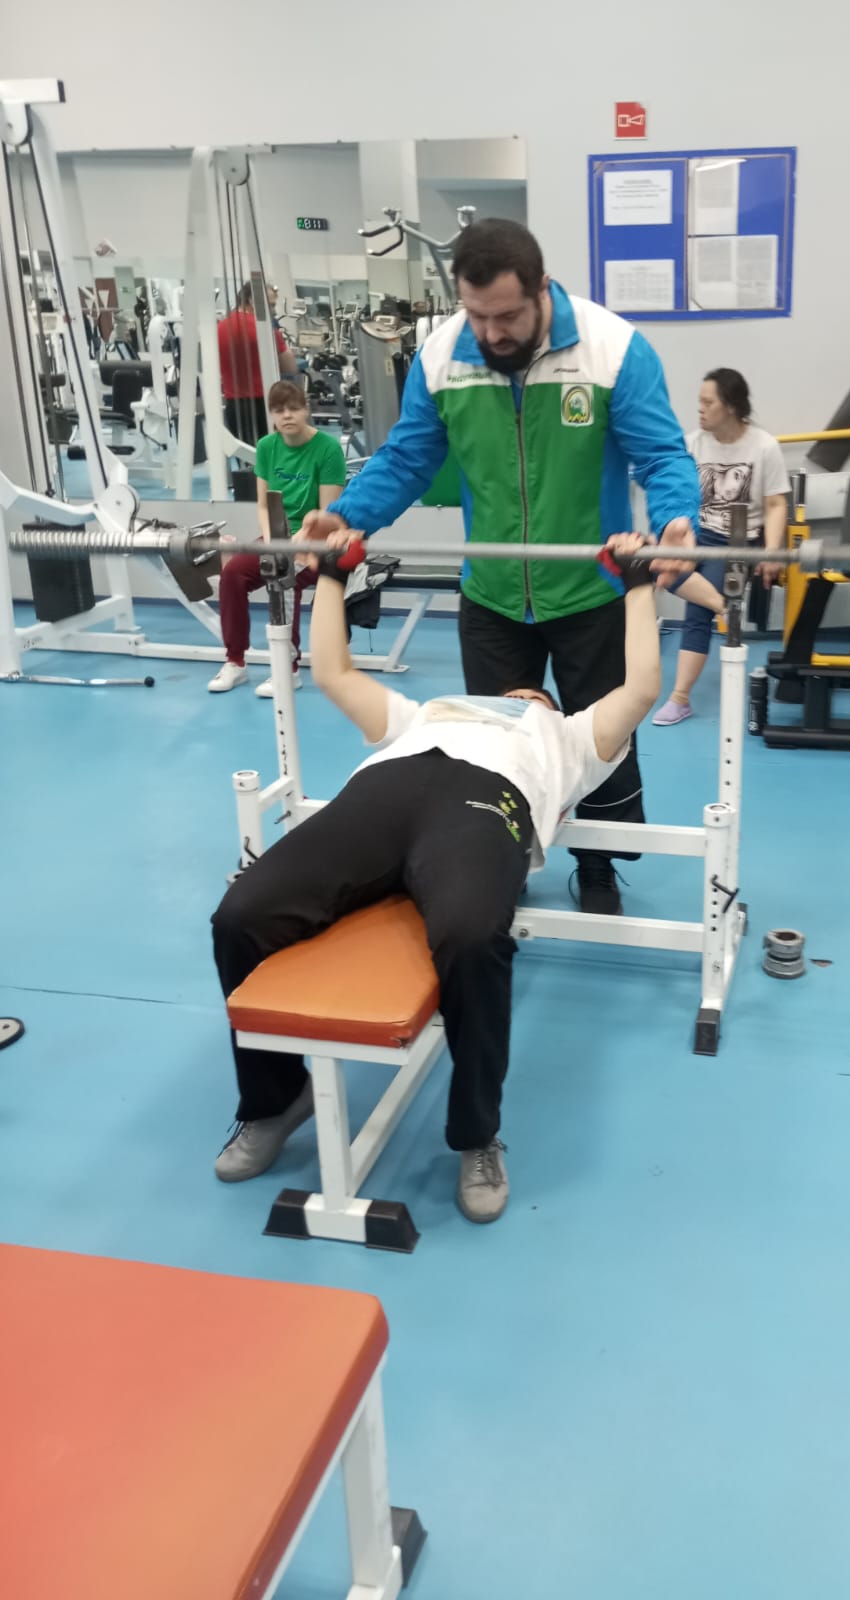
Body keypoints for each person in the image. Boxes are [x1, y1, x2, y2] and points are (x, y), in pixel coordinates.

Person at [210, 531, 673, 1223]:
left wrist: (638, 584)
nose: (525, 694)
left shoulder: (570, 736)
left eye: (537, 695)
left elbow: (640, 688)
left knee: (472, 937)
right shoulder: (427, 713)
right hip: (385, 790)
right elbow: (334, 674)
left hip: (486, 802)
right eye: (519, 691)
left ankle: (476, 1134)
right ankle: (275, 1100)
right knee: (239, 915)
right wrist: (333, 575)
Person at [297, 218, 700, 917]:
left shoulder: (612, 349)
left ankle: (597, 863)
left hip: (591, 592)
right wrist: (349, 515)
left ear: (542, 288)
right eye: (476, 315)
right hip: (490, 597)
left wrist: (673, 519)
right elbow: (408, 458)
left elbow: (662, 456)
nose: (491, 332)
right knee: (492, 758)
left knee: (602, 746)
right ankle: (498, 864)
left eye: (507, 316)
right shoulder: (442, 355)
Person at [653, 369, 790, 726]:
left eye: (707, 402)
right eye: (699, 401)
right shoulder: (692, 443)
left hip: (738, 539)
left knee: (696, 612)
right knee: (657, 568)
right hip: (698, 534)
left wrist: (772, 553)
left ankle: (680, 698)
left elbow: (776, 504)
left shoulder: (763, 446)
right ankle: (724, 608)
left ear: (730, 406)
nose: (699, 409)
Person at [207, 381, 347, 695]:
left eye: (294, 409)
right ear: (271, 414)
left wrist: (294, 544)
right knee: (232, 574)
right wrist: (274, 541)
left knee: (284, 577)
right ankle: (235, 661)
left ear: (306, 410)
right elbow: (262, 505)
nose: (287, 416)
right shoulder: (267, 447)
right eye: (279, 410)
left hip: (317, 543)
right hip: (278, 537)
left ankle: (288, 668)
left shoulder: (328, 449)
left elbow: (327, 515)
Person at [217, 281, 298, 448]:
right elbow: (290, 367)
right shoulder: (265, 329)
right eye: (271, 305)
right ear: (252, 301)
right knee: (273, 457)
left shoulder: (219, 328)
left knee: (246, 455)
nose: (273, 311)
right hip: (265, 405)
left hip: (234, 406)